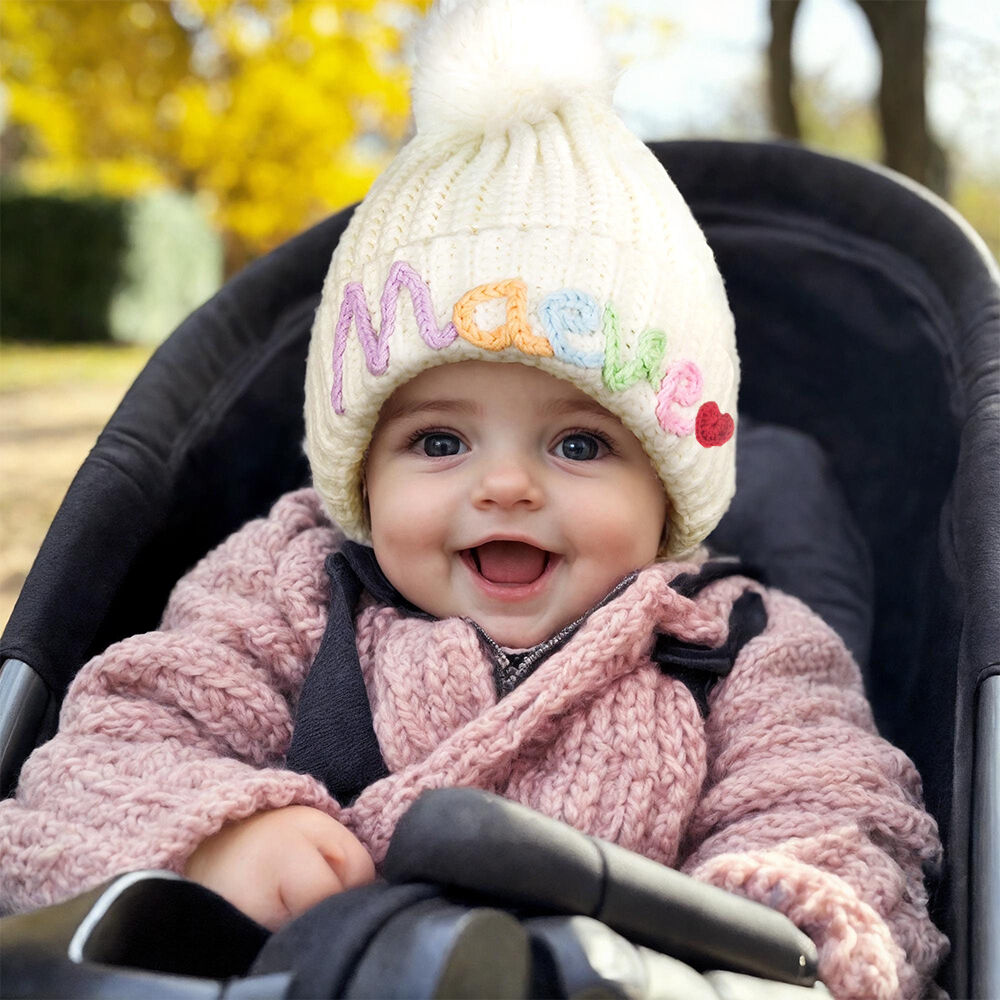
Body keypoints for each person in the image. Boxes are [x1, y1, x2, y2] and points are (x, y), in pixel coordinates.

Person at [0, 1, 947, 996]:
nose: (504, 484)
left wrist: (758, 942)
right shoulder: (287, 584)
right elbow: (110, 748)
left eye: (578, 443)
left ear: (667, 493)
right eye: (438, 440)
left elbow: (830, 806)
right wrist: (220, 834)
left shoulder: (740, 642)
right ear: (362, 471)